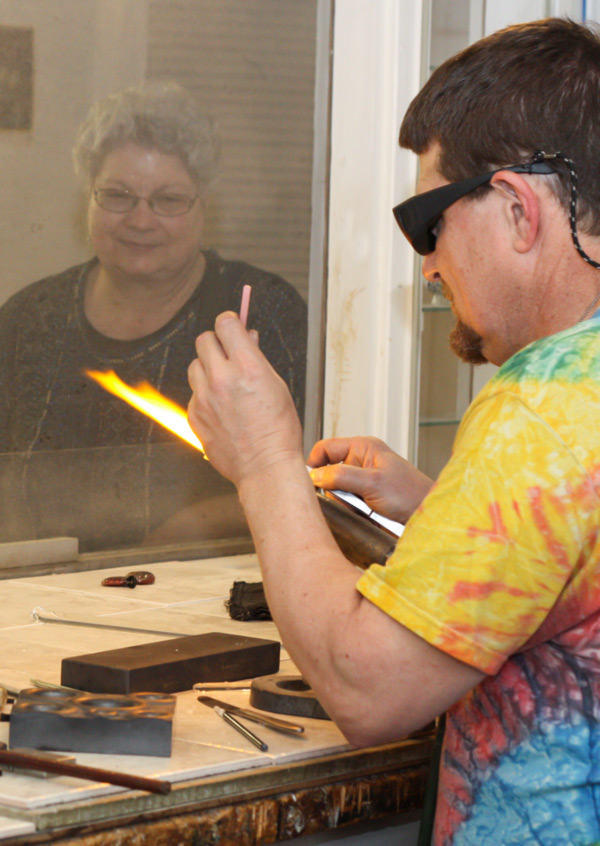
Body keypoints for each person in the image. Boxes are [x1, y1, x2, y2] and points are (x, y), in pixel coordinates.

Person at [187, 17, 600, 846]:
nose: (428, 262)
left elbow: (367, 691)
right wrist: (440, 506)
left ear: (519, 210)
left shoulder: (543, 416)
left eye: (429, 221)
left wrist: (266, 462)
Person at [0, 81, 307, 552]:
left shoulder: (260, 309)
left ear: (205, 204)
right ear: (88, 196)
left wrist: (180, 533)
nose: (141, 220)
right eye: (118, 195)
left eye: (167, 200)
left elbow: (307, 477)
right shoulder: (28, 319)